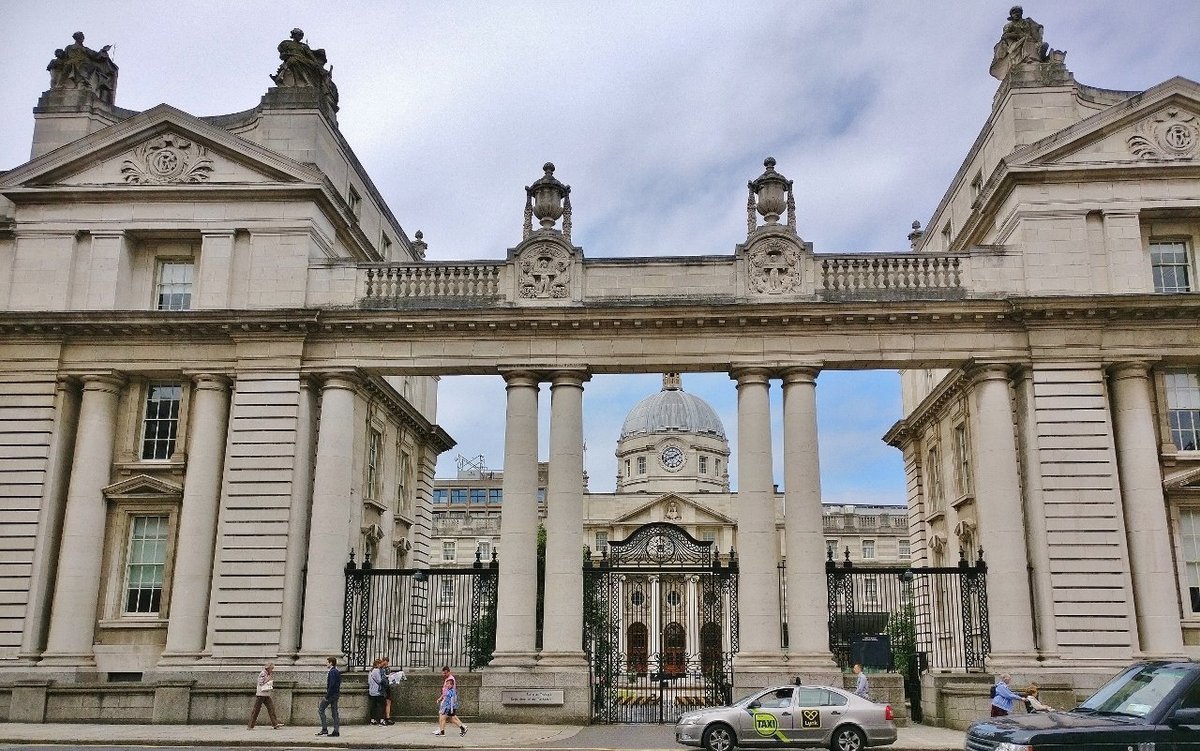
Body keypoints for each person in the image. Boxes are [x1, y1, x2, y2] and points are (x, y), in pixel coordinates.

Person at [433, 665, 467, 736]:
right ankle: (462, 727)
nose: (444, 674)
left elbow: (449, 695)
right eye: (443, 673)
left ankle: (442, 731)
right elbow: (445, 691)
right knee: (451, 718)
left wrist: (445, 702)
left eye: (445, 673)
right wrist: (441, 698)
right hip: (448, 703)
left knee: (444, 716)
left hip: (448, 703)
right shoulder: (448, 679)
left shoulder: (450, 680)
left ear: (449, 672)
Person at [247, 662, 281, 729]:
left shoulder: (267, 673)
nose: (272, 670)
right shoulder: (263, 673)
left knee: (271, 708)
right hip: (261, 694)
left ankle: (275, 724)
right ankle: (250, 726)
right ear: (268, 668)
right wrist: (268, 679)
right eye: (272, 668)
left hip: (266, 694)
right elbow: (261, 682)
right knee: (256, 710)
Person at [316, 656, 341, 737]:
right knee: (334, 713)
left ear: (331, 663)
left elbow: (332, 685)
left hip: (331, 695)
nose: (326, 664)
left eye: (327, 662)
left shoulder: (332, 672)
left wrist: (327, 696)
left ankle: (324, 729)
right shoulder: (337, 671)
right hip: (336, 694)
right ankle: (336, 730)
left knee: (321, 709)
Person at [367, 657, 388, 725]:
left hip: (371, 691)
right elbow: (379, 680)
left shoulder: (370, 671)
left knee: (373, 706)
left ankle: (372, 720)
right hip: (378, 691)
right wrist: (384, 677)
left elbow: (369, 682)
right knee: (381, 706)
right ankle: (381, 720)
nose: (381, 665)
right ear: (378, 664)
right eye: (380, 664)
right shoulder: (377, 671)